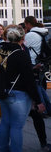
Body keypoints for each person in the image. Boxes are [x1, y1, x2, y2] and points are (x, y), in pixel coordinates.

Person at [0, 25, 45, 152]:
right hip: (18, 93)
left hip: (3, 90)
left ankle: (4, 149)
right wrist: (38, 100)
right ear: (21, 38)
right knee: (17, 127)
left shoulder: (0, 50)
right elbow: (28, 79)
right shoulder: (20, 53)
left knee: (5, 122)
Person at [23, 16, 51, 151]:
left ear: (28, 24)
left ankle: (42, 105)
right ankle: (45, 105)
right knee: (40, 86)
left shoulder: (31, 35)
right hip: (42, 63)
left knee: (37, 88)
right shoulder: (44, 32)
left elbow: (23, 47)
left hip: (34, 64)